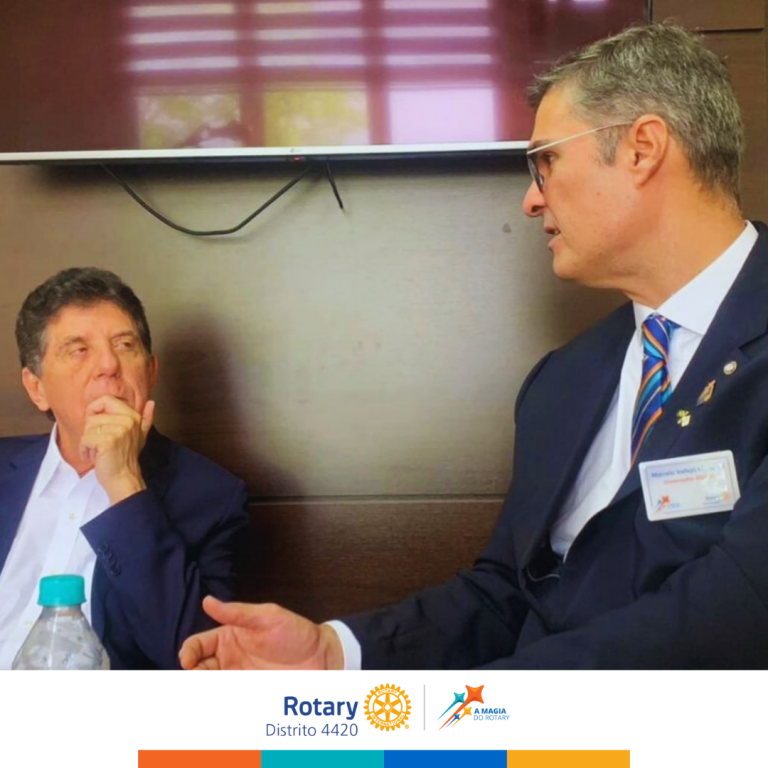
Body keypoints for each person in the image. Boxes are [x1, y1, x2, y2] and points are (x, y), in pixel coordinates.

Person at [179, 22, 768, 670]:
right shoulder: (562, 382)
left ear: (642, 149)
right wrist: (335, 654)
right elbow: (504, 596)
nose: (530, 199)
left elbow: (729, 617)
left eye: (546, 161)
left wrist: (465, 711)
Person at [0, 267, 249, 669]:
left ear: (150, 372)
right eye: (79, 350)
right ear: (37, 388)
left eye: (124, 344)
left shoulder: (213, 499)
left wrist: (124, 484)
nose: (108, 365)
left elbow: (196, 660)